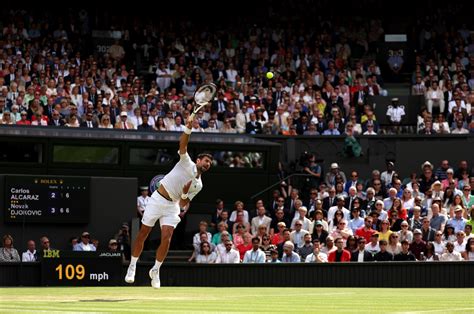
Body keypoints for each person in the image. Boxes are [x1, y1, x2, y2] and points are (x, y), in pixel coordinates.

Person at [125, 115, 213, 288]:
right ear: (198, 161)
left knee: (167, 238)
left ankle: (156, 270)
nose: (208, 163)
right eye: (206, 160)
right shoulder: (186, 162)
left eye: (210, 162)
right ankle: (132, 265)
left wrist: (186, 195)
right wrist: (188, 128)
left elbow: (182, 204)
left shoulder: (199, 185)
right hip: (157, 199)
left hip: (172, 206)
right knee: (143, 233)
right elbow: (182, 144)